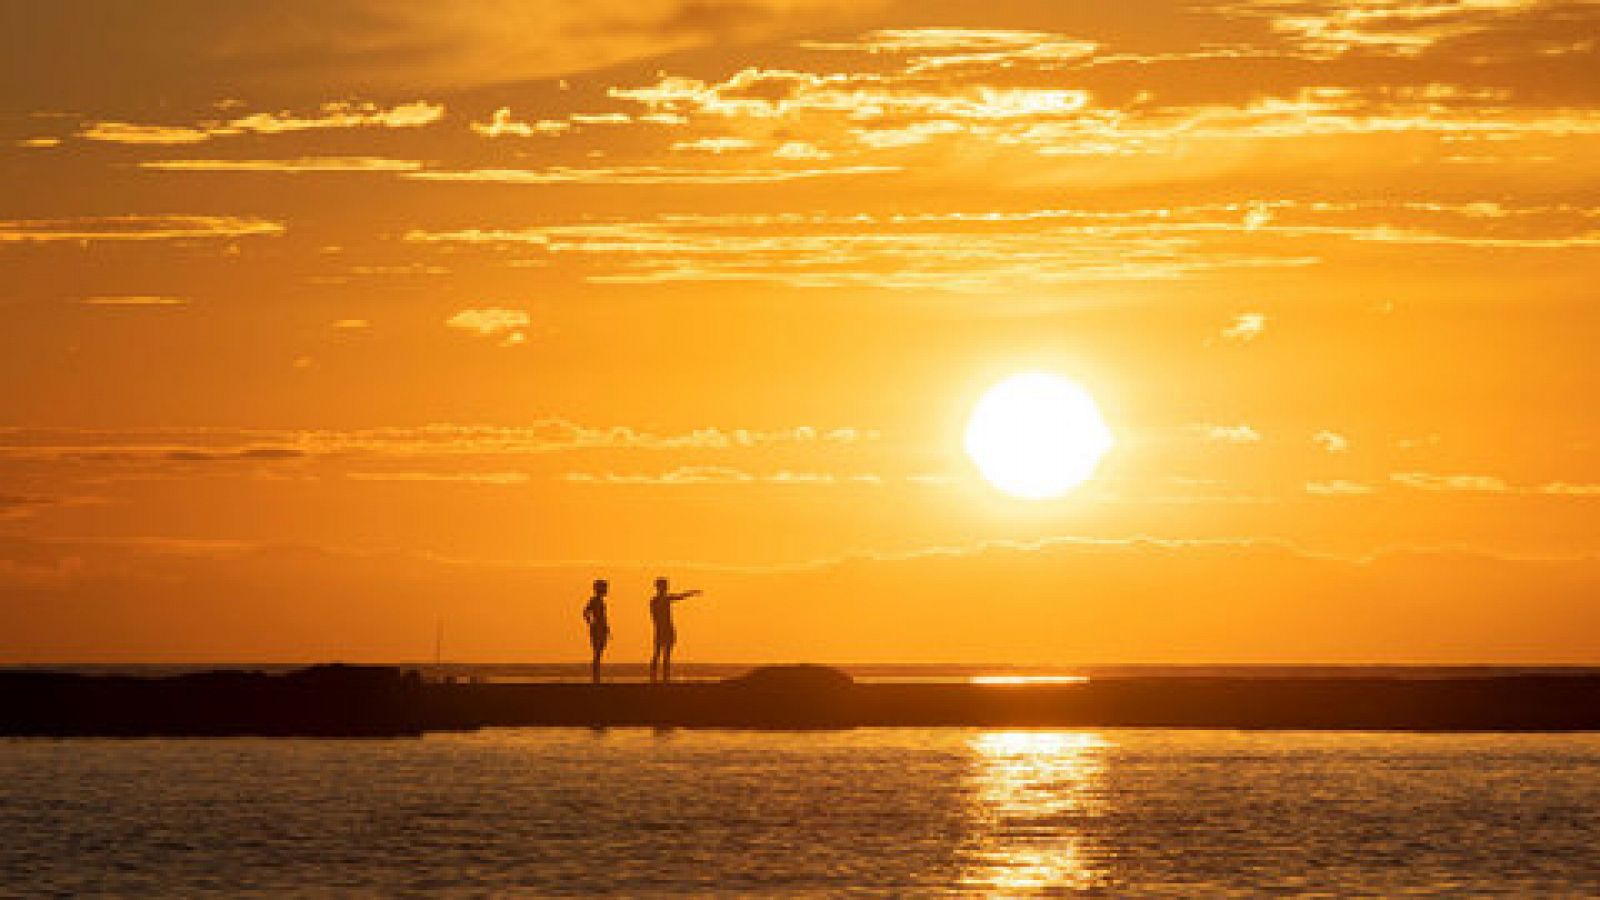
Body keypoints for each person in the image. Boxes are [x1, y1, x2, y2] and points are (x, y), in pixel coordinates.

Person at [649, 577, 701, 683]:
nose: (666, 588)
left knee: (665, 654)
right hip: (662, 629)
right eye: (664, 586)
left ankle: (664, 677)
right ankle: (655, 676)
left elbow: (680, 596)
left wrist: (691, 593)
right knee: (658, 653)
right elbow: (654, 617)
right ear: (659, 587)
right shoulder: (656, 600)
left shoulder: (661, 600)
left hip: (667, 629)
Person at [582, 579, 610, 684]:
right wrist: (591, 622)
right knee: (597, 652)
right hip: (597, 629)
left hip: (601, 628)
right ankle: (596, 676)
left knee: (599, 652)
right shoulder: (594, 601)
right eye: (604, 588)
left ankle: (596, 675)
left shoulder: (599, 601)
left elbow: (603, 617)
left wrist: (606, 627)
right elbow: (585, 612)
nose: (606, 590)